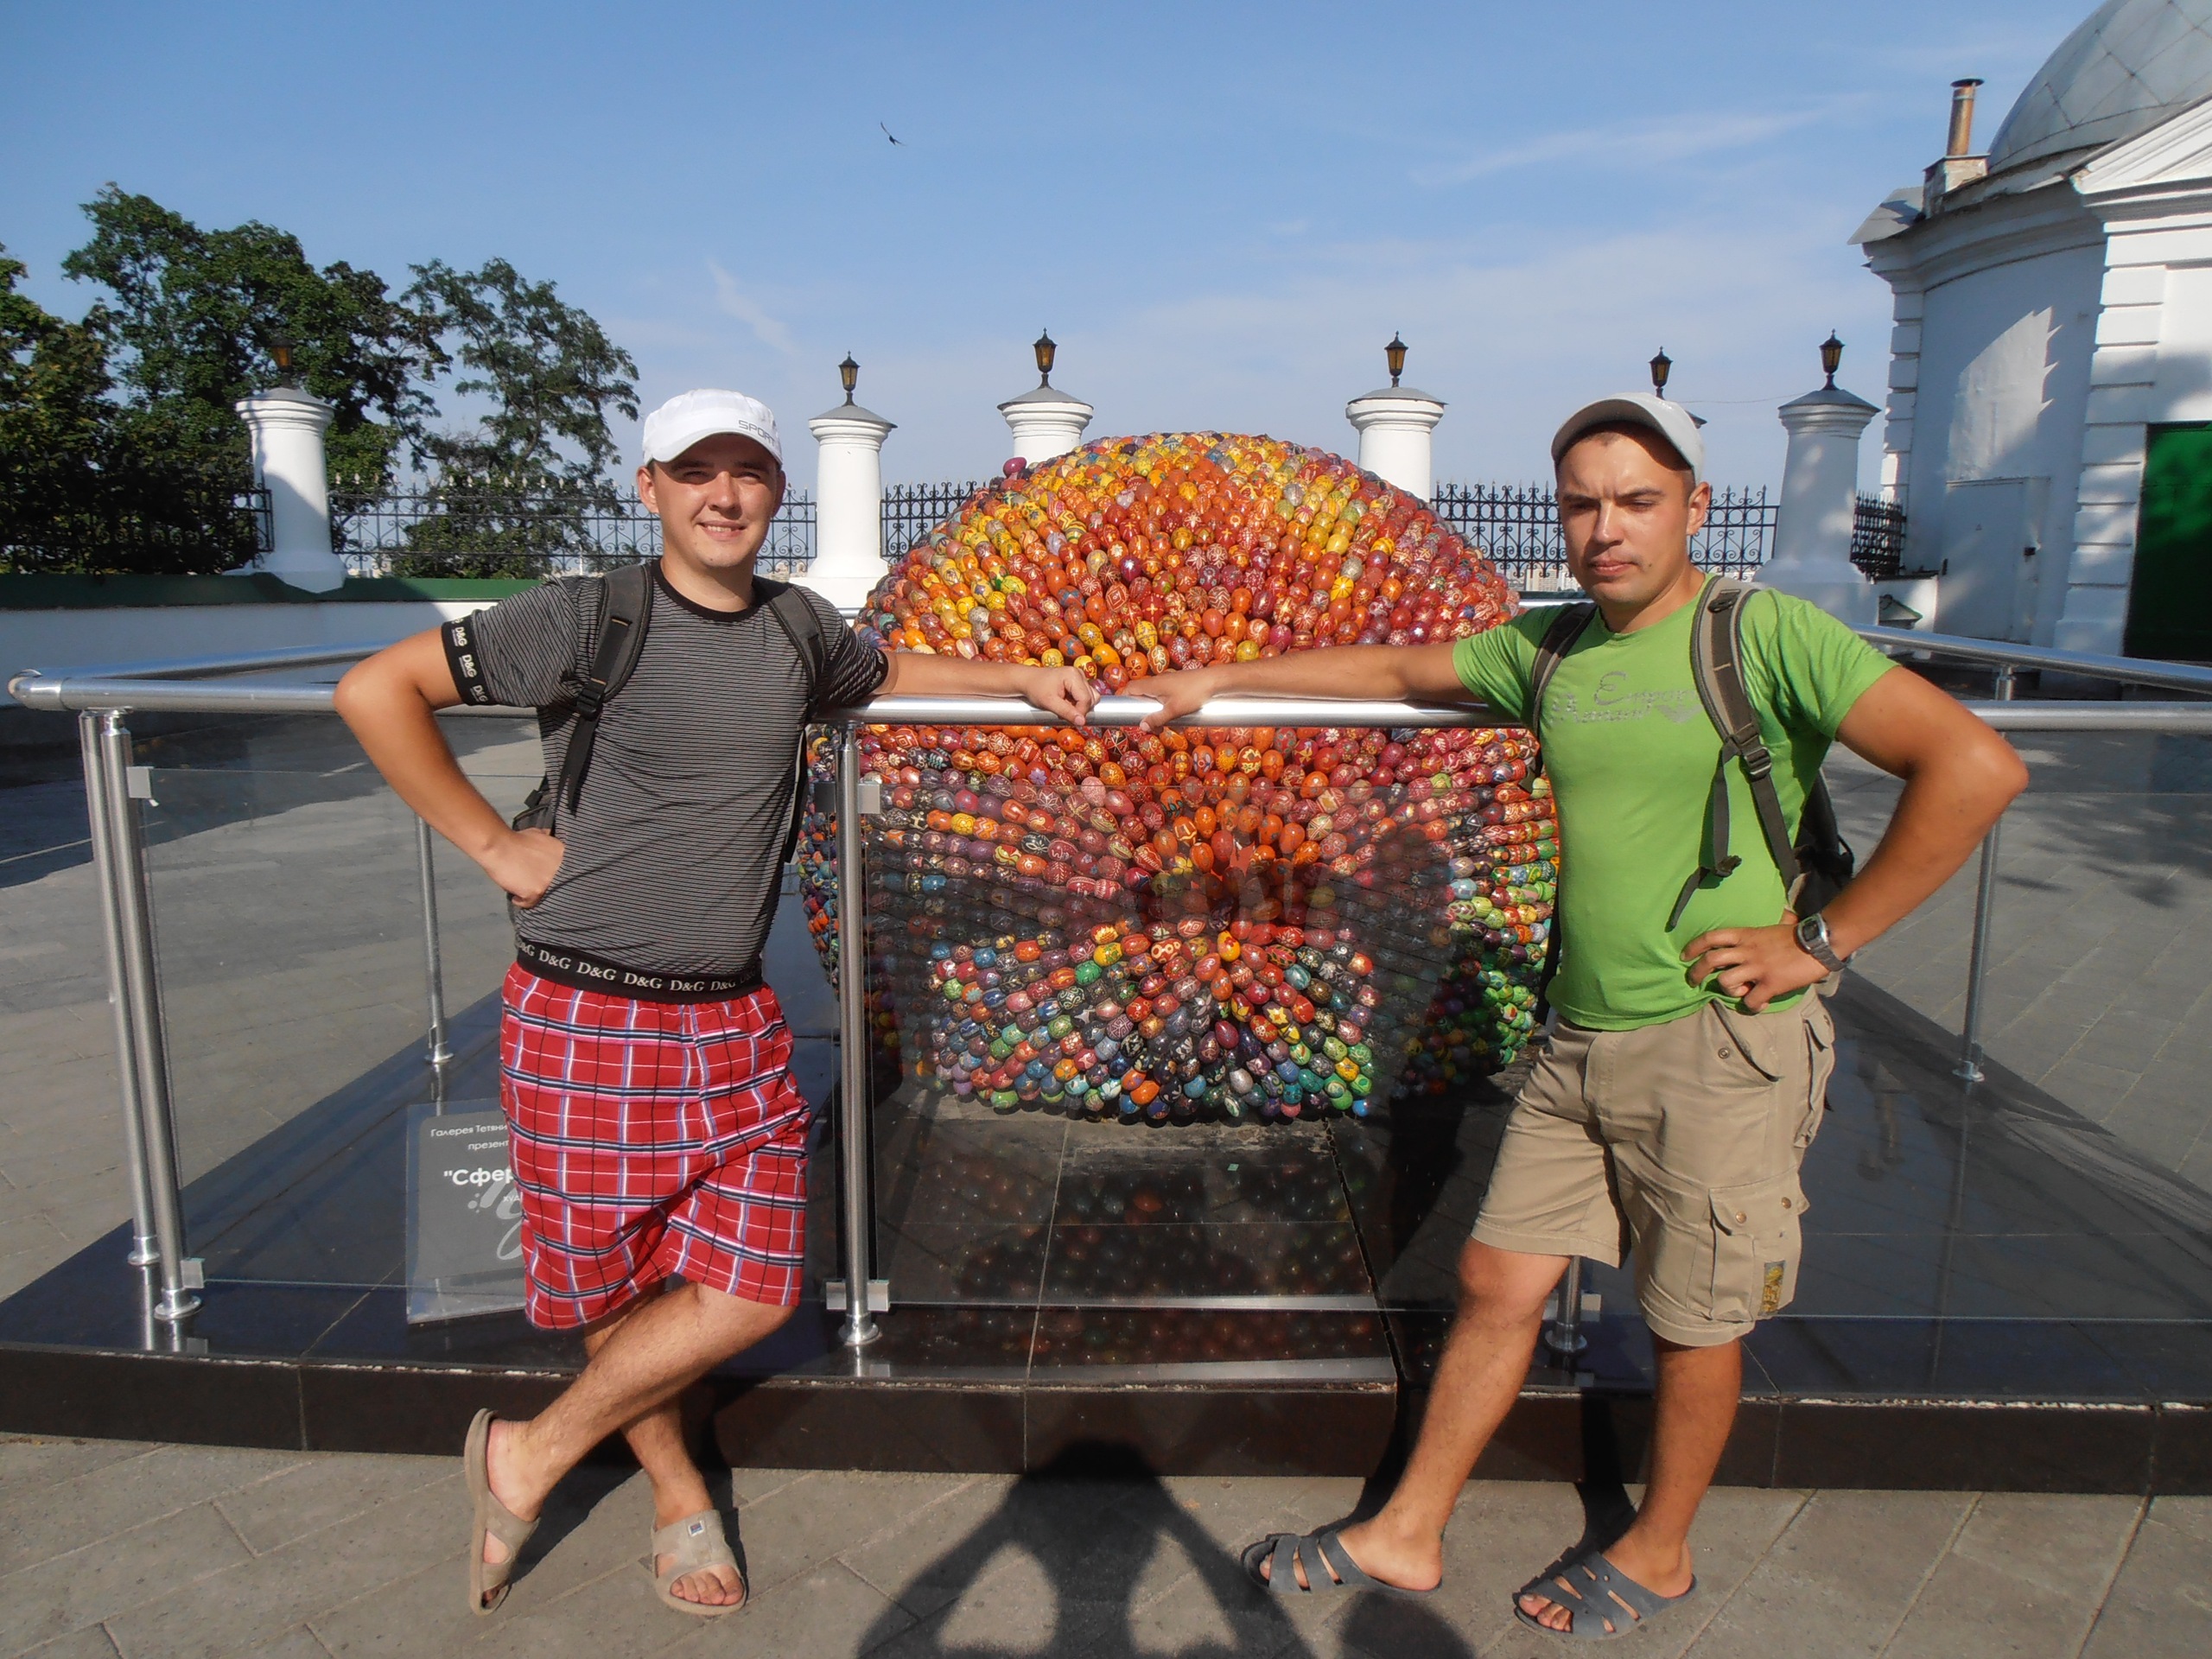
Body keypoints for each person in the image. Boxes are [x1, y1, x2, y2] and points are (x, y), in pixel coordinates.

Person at [1138, 392, 2026, 1636]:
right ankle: (1407, 1532)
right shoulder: (1551, 648)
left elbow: (1977, 767)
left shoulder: (1762, 635)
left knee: (1691, 1318)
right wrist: (1222, 675)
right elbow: (1394, 670)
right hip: (1578, 1036)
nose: (1606, 529)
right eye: (1582, 504)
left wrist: (1821, 943)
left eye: (1637, 501)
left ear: (1695, 510)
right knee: (1499, 1276)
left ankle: (1659, 1552)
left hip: (1718, 1041)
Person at [335, 389, 1097, 1618]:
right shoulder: (586, 616)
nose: (724, 495)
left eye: (747, 472)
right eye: (696, 472)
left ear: (777, 491)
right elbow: (376, 690)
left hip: (732, 1018)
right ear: (651, 487)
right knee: (615, 1289)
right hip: (584, 1011)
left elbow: (889, 667)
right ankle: (678, 1494)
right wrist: (494, 846)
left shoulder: (798, 628)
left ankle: (529, 1450)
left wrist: (1019, 674)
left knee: (753, 1288)